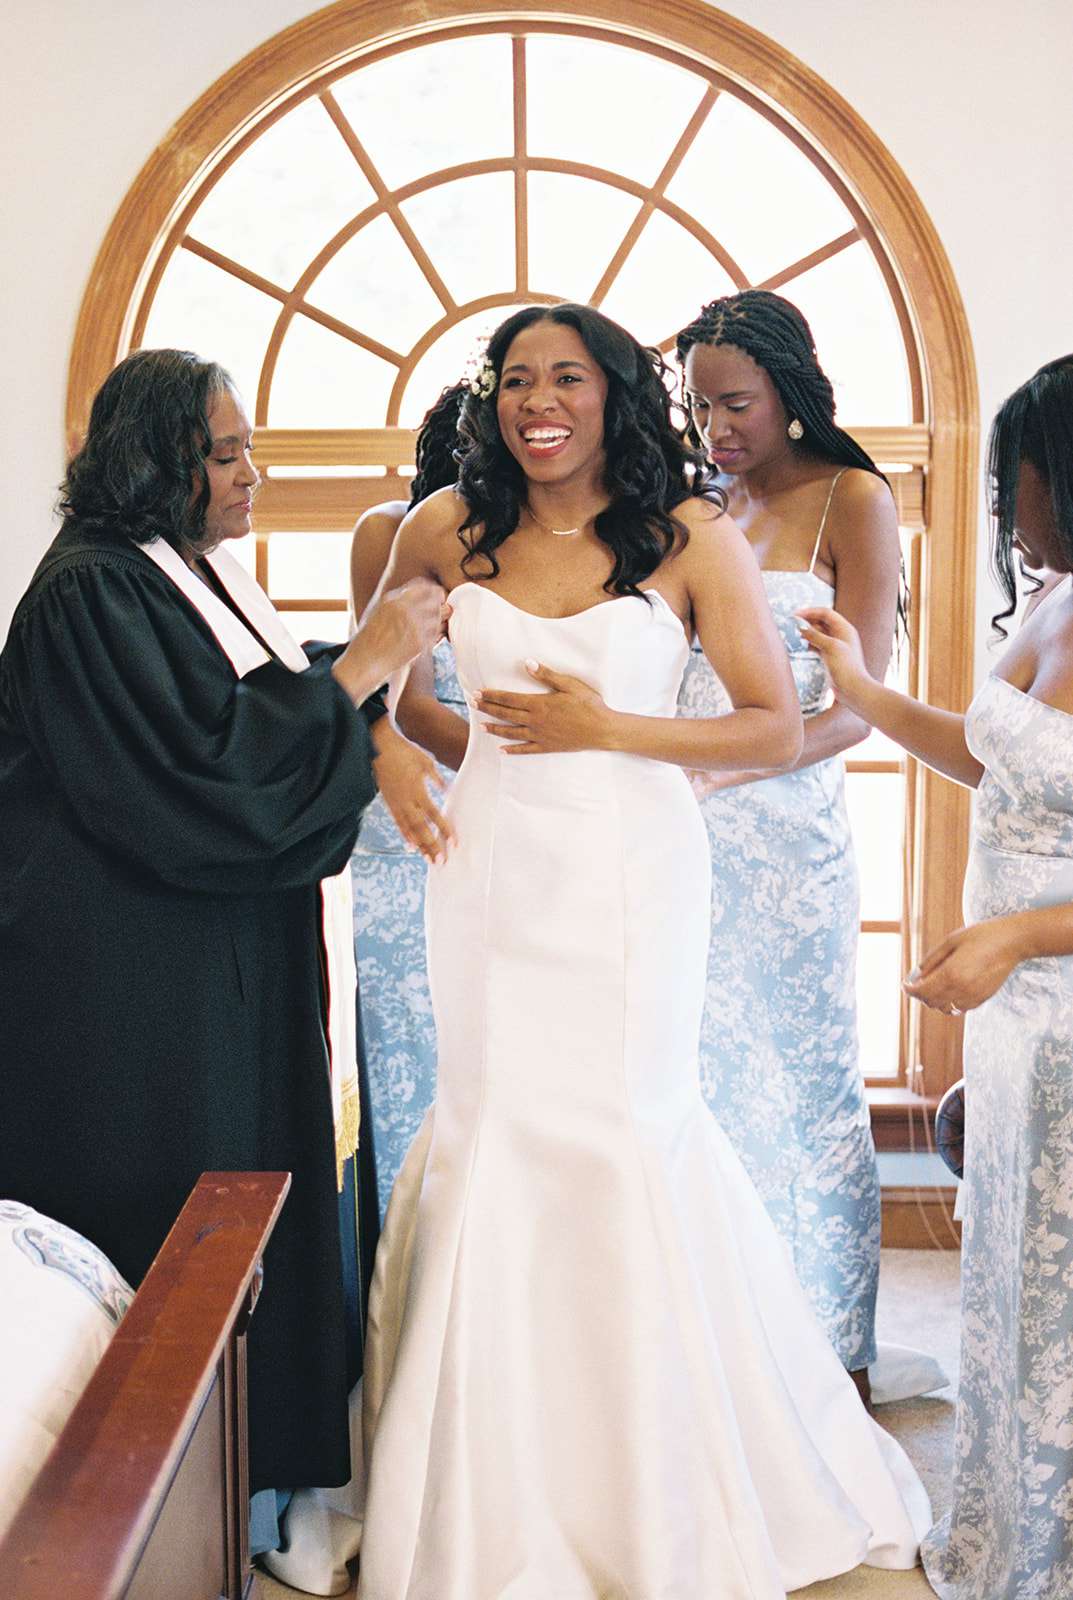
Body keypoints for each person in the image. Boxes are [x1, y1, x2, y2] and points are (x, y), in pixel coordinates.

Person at [320, 303, 930, 1598]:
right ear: (497, 401)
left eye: (570, 379)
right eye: (519, 380)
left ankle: (657, 1485)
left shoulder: (688, 537)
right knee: (493, 1135)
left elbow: (774, 729)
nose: (542, 401)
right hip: (485, 872)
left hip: (635, 873)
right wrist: (388, 751)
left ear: (613, 397)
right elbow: (371, 679)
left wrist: (613, 733)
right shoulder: (444, 528)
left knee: (621, 1133)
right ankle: (488, 1491)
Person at [0, 349, 445, 1512]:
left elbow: (250, 709)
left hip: (211, 958)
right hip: (126, 988)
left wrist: (354, 694)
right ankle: (164, 1504)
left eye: (251, 447)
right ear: (156, 462)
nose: (255, 472)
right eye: (228, 451)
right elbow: (198, 776)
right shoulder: (90, 591)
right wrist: (364, 663)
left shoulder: (185, 574)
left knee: (245, 1192)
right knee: (162, 1208)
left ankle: (252, 1473)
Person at [800, 353, 1073, 1600]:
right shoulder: (1050, 598)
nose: (1004, 503)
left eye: (1015, 475)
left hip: (1054, 997)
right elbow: (984, 756)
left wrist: (1017, 935)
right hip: (1016, 1022)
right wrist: (862, 693)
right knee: (1017, 1287)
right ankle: (1017, 1530)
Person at [672, 289, 902, 1406]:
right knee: (699, 1088)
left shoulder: (850, 499)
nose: (717, 427)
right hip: (678, 835)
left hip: (789, 839)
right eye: (699, 405)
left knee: (807, 1084)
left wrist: (742, 760)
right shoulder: (689, 507)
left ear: (788, 393)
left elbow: (864, 708)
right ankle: (723, 1351)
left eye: (736, 404)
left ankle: (833, 1351)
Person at [348, 383, 469, 1219]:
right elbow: (393, 696)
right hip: (405, 802)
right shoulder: (391, 531)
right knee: (404, 1046)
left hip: (507, 814)